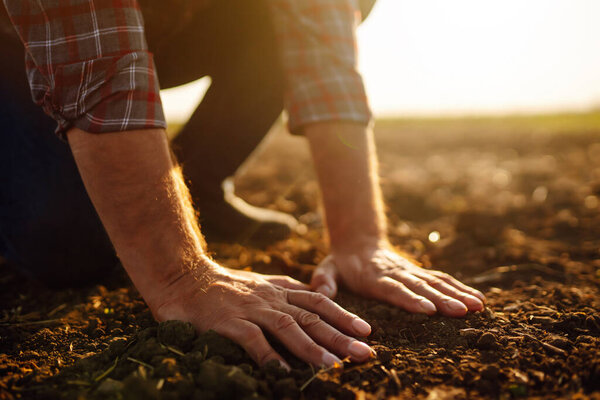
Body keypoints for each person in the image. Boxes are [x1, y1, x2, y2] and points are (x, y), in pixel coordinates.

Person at [1, 0, 486, 370]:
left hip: (162, 22)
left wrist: (361, 239)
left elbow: (319, 44)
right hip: (20, 41)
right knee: (71, 248)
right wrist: (180, 276)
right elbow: (94, 57)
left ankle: (201, 190)